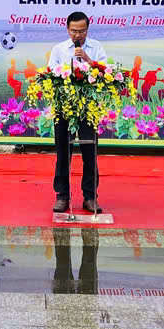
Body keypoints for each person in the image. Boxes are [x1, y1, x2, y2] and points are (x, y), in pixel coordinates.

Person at [46, 11, 108, 215]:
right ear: (67, 29)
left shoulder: (96, 47)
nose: (77, 35)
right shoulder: (59, 49)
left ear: (87, 30)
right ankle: (62, 196)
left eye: (81, 31)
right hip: (64, 107)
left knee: (90, 153)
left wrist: (87, 59)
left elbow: (105, 73)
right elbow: (50, 74)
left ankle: (90, 197)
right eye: (74, 31)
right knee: (63, 152)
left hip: (88, 107)